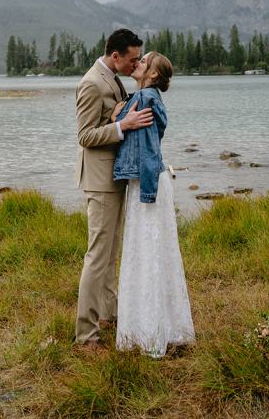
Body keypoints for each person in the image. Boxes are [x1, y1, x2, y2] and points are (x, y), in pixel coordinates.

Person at [75, 28, 154, 351]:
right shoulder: (92, 83)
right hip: (100, 182)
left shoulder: (112, 77)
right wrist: (124, 126)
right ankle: (86, 334)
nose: (135, 64)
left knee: (110, 254)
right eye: (132, 59)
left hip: (115, 178)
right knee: (97, 257)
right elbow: (85, 136)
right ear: (115, 55)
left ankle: (107, 314)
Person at [112, 51, 195, 358]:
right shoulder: (146, 96)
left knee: (144, 253)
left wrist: (146, 192)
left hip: (147, 183)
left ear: (154, 75)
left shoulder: (144, 98)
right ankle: (163, 324)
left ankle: (147, 332)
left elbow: (147, 149)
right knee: (155, 253)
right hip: (152, 181)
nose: (138, 64)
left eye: (143, 62)